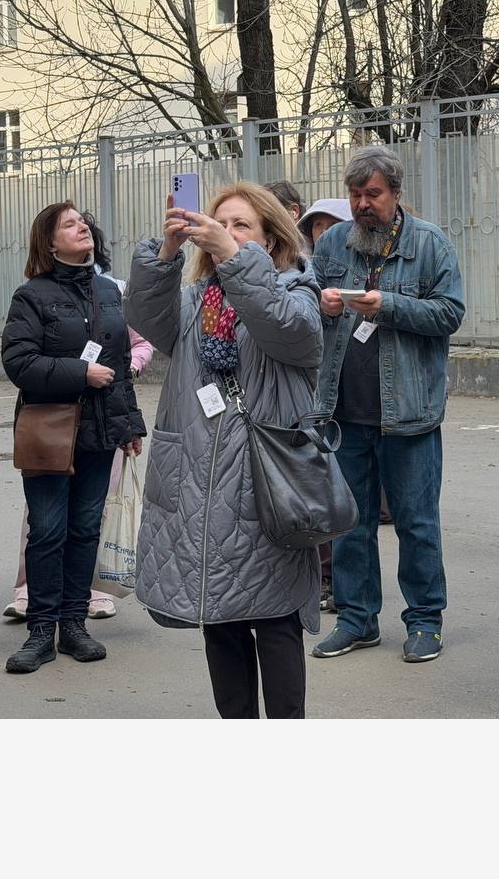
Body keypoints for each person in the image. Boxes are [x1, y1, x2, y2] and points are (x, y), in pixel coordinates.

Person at [125, 181, 323, 719]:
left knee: (276, 619)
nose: (226, 232)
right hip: (200, 479)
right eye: (221, 223)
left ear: (271, 238)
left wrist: (234, 260)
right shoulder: (196, 301)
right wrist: (165, 255)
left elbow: (288, 332)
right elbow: (145, 318)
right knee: (218, 615)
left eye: (242, 225)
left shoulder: (297, 290)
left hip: (266, 483)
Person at [309, 146, 465, 664]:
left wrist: (389, 306)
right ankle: (356, 620)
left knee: (416, 523)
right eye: (355, 194)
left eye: (372, 194)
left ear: (395, 193)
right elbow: (305, 307)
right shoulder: (332, 243)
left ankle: (425, 621)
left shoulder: (430, 243)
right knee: (349, 524)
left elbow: (450, 313)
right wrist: (322, 304)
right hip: (344, 413)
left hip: (410, 414)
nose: (362, 204)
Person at [1, 203, 146, 675]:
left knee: (85, 529)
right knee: (47, 531)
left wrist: (130, 424)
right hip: (49, 432)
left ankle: (73, 625)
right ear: (48, 242)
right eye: (69, 224)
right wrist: (81, 372)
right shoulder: (31, 295)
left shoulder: (108, 291)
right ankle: (41, 631)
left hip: (100, 432)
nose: (82, 226)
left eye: (83, 221)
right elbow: (19, 363)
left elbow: (119, 363)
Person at [293, 196, 355, 610]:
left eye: (330, 225)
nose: (322, 233)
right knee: (313, 493)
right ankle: (319, 579)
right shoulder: (300, 274)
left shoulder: (361, 270)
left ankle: (335, 582)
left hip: (351, 405)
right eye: (316, 226)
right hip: (311, 401)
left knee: (341, 498)